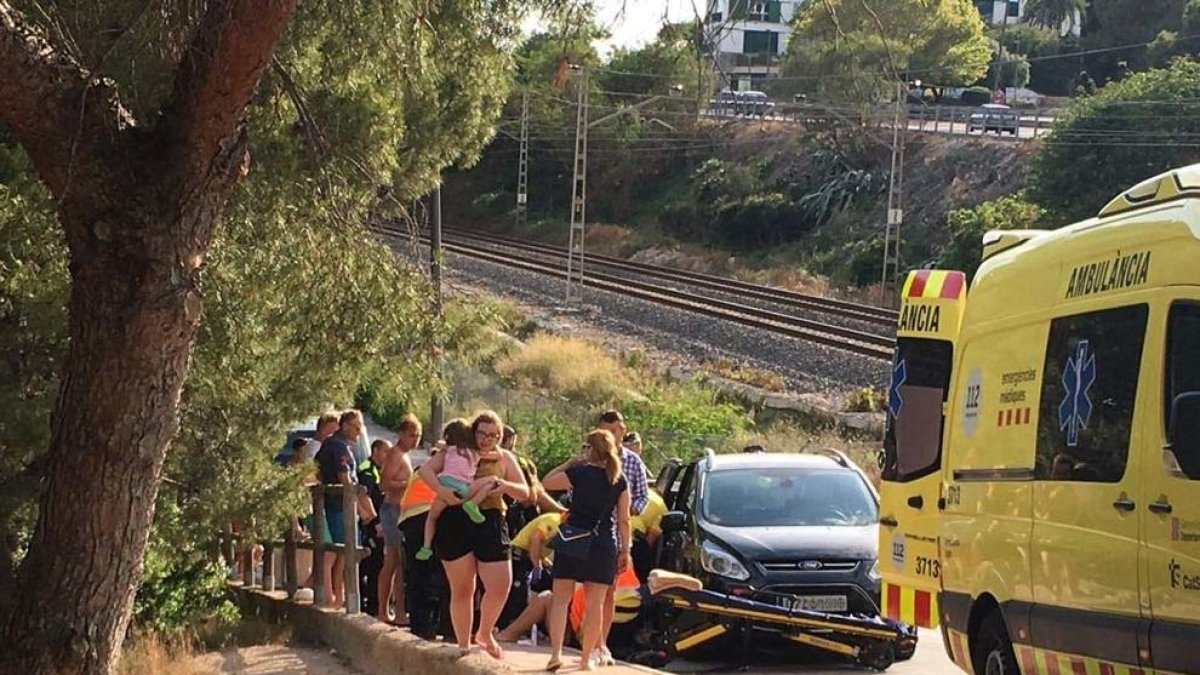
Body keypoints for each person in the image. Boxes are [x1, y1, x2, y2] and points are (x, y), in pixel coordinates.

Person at [418, 411, 529, 658]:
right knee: (463, 587)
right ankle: (463, 645)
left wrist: (506, 486)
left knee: (500, 584)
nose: (487, 439)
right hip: (455, 518)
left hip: (490, 518)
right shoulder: (456, 449)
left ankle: (485, 632)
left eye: (494, 435)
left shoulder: (504, 457)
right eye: (483, 433)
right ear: (473, 431)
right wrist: (441, 491)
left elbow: (525, 491)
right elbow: (425, 471)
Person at [541, 429, 632, 672]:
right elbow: (624, 520)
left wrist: (570, 463)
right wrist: (625, 550)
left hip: (572, 538)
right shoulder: (619, 479)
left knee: (561, 600)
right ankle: (585, 659)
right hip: (603, 543)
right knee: (595, 605)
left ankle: (555, 653)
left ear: (590, 449)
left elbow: (546, 482)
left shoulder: (578, 473)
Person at [596, 410, 649, 664]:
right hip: (591, 535)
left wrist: (628, 508)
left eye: (614, 431)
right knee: (587, 594)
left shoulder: (633, 462)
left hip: (618, 537)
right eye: (605, 431)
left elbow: (643, 496)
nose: (609, 435)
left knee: (609, 593)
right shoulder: (591, 461)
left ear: (622, 431)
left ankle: (601, 643)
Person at [314, 409, 379, 609]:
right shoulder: (338, 446)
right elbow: (345, 478)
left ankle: (340, 596)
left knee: (343, 551)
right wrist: (361, 508)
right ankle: (341, 597)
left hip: (339, 505)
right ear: (345, 426)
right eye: (356, 427)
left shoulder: (332, 444)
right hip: (340, 506)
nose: (359, 432)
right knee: (345, 552)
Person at [398, 420, 453, 639]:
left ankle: (422, 627)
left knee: (419, 575)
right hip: (430, 516)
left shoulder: (427, 467)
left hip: (412, 520)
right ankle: (446, 628)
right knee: (442, 574)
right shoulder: (454, 462)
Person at [414, 423, 499, 562]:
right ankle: (473, 504)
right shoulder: (476, 452)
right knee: (492, 480)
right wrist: (495, 444)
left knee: (432, 517)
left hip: (445, 484)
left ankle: (426, 546)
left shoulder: (450, 448)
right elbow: (498, 455)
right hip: (464, 487)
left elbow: (439, 444)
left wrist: (445, 444)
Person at [378, 413, 420, 625]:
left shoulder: (406, 455)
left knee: (398, 562)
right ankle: (388, 611)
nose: (415, 440)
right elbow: (385, 484)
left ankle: (397, 611)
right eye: (412, 435)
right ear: (401, 434)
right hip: (393, 510)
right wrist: (409, 484)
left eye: (418, 436)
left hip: (402, 511)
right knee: (394, 561)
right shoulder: (395, 454)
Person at [357, 439, 390, 616]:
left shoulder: (378, 469)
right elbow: (366, 497)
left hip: (379, 521)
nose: (387, 456)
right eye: (385, 452)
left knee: (376, 563)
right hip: (370, 525)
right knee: (370, 563)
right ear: (375, 450)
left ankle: (372, 603)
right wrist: (376, 523)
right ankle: (369, 604)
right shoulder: (367, 469)